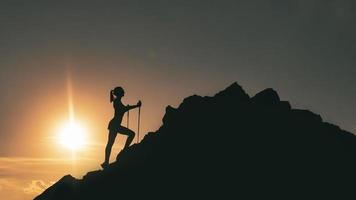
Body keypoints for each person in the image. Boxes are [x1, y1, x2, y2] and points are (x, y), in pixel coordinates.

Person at [101, 86, 141, 169]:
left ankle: (106, 162)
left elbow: (124, 109)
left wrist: (132, 107)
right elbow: (124, 109)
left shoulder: (117, 101)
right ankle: (124, 151)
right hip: (115, 125)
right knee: (130, 134)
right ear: (119, 93)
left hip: (114, 125)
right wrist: (136, 106)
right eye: (123, 91)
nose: (124, 93)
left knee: (110, 143)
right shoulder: (117, 102)